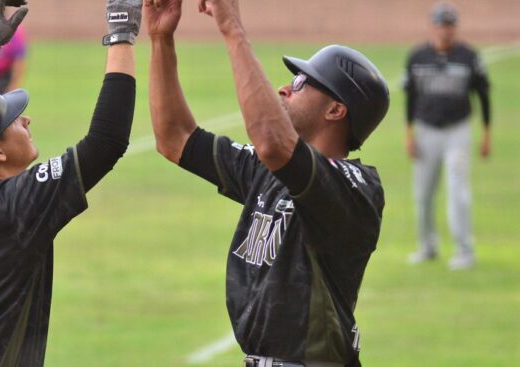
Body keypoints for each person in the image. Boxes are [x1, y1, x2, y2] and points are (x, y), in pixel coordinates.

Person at [145, 0, 389, 365]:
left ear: (335, 110)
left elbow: (272, 142)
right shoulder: (269, 170)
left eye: (301, 83)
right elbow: (174, 137)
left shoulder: (354, 188)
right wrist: (160, 39)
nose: (284, 89)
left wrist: (233, 30)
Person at [0, 0, 142, 365]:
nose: (27, 119)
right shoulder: (11, 207)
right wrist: (122, 35)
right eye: (14, 120)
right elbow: (106, 143)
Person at [404, 2, 490, 270]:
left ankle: (465, 250)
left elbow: (484, 96)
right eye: (441, 25)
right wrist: (409, 133)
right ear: (433, 26)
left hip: (458, 131)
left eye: (450, 25)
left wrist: (487, 133)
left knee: (458, 191)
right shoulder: (417, 58)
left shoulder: (469, 57)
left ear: (456, 28)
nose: (445, 30)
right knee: (423, 194)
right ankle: (427, 246)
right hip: (426, 130)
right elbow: (411, 98)